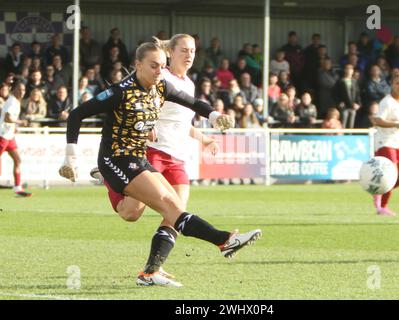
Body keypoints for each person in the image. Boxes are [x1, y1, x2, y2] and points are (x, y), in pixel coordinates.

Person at [59, 38, 261, 287]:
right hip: (117, 158)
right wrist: (71, 155)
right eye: (153, 66)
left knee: (163, 209)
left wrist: (214, 115)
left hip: (138, 158)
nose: (159, 71)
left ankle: (151, 273)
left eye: (162, 65)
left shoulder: (161, 87)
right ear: (138, 64)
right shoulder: (120, 91)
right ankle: (224, 240)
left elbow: (192, 102)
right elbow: (77, 114)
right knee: (167, 206)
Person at [372, 74, 399, 216]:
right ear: (392, 84)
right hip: (385, 141)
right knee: (392, 175)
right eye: (397, 83)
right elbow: (377, 120)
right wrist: (398, 124)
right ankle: (382, 207)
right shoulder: (386, 102)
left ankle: (379, 192)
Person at [0, 80, 32, 197]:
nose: (22, 92)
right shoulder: (12, 101)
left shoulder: (16, 102)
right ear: (14, 90)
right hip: (2, 135)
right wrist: (20, 122)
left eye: (23, 90)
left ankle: (18, 188)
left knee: (18, 160)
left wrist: (14, 128)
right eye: (19, 89)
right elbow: (7, 118)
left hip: (9, 136)